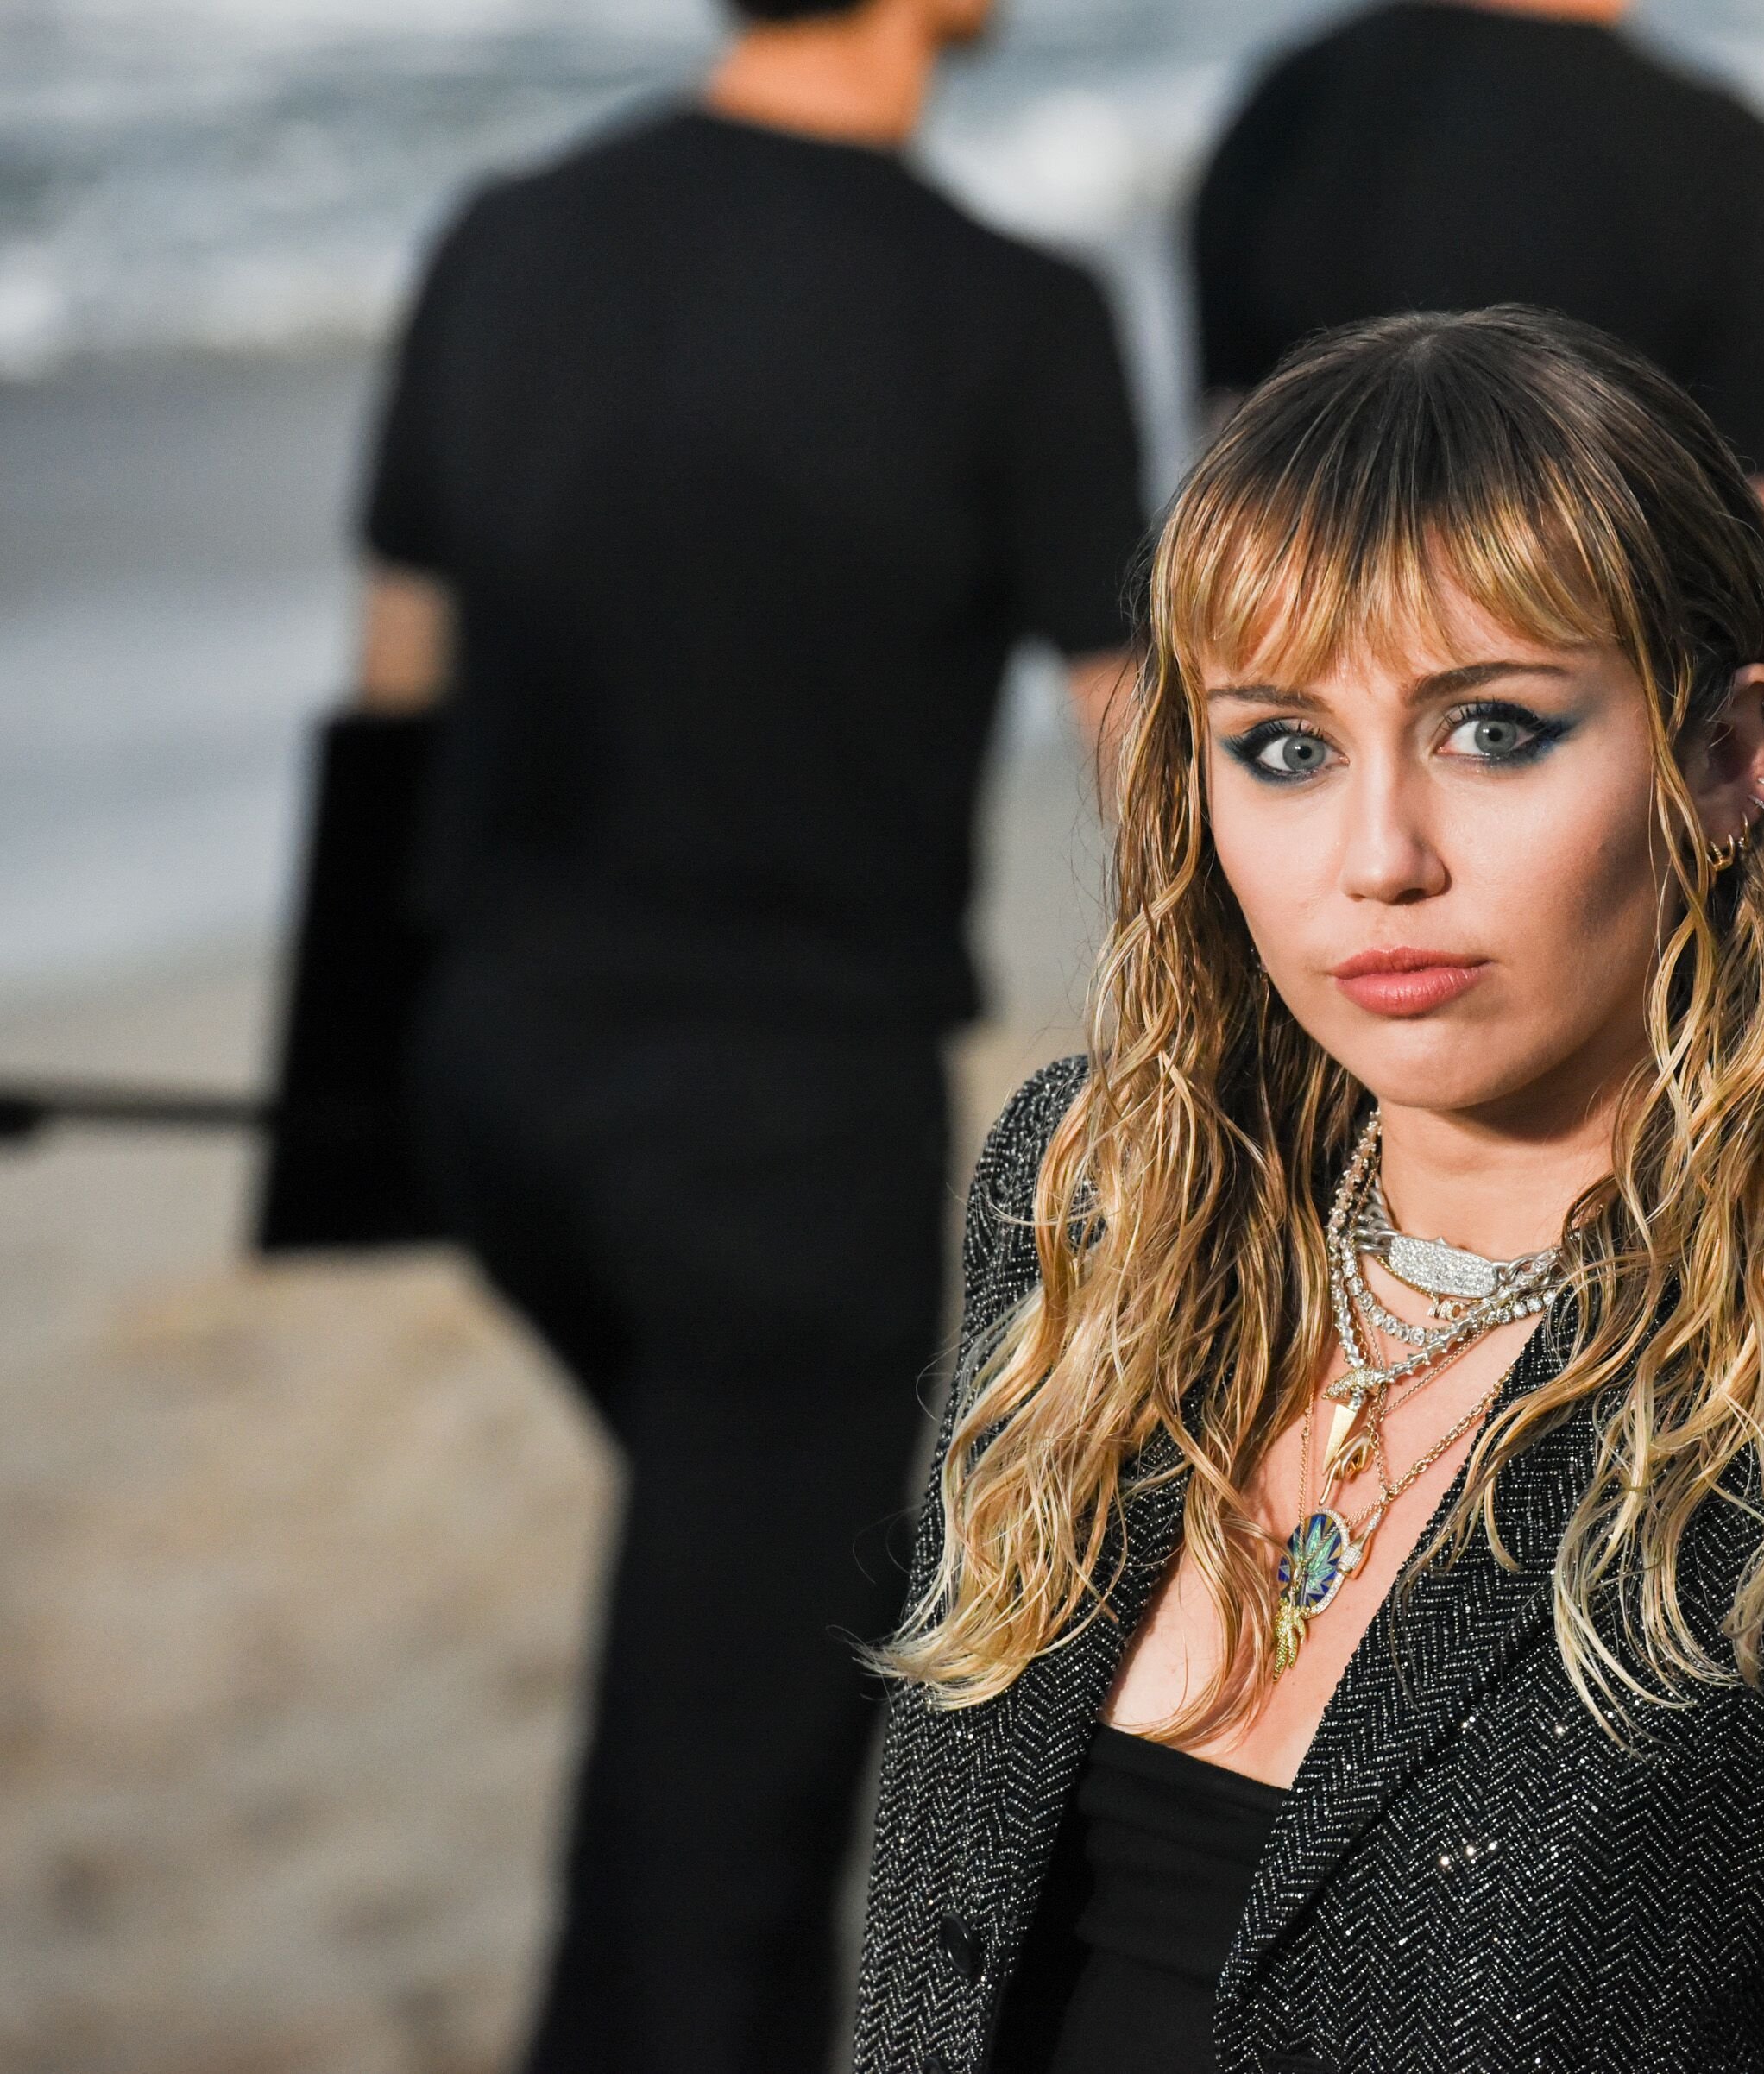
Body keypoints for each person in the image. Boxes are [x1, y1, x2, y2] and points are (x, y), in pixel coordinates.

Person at [844, 309, 1764, 2074]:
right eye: (1285, 747)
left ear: (1726, 758)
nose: (1378, 856)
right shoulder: (1091, 1216)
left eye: (1493, 728)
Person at [350, 0, 1148, 2064]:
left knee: (730, 1652)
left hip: (496, 1097)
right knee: (730, 1809)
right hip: (780, 1155)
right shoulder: (1013, 311)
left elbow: (398, 669)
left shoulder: (503, 235)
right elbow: (1148, 771)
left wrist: (349, 1111)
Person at [1183, 0, 1764, 1147]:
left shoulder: (1279, 123)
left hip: (1336, 956)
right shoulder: (1710, 157)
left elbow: (1237, 578)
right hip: (1653, 931)